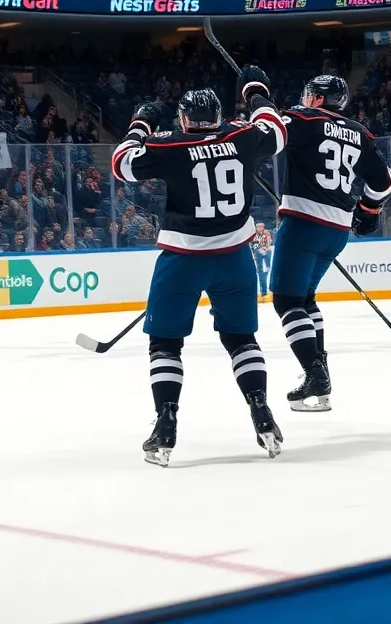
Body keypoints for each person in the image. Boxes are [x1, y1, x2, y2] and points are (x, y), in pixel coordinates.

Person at [109, 67, 288, 466]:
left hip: (182, 262)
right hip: (235, 261)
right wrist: (256, 90)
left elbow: (121, 163)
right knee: (242, 341)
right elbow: (275, 130)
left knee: (166, 345)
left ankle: (165, 426)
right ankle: (262, 414)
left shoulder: (170, 145)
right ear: (220, 116)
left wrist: (141, 123)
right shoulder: (241, 136)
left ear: (185, 119)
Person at [267, 75, 391, 413]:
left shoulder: (301, 119)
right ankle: (319, 373)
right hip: (337, 230)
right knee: (306, 298)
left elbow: (266, 134)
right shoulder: (359, 132)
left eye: (311, 95)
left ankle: (314, 374)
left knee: (287, 302)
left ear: (320, 99)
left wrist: (257, 97)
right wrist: (368, 210)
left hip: (303, 224)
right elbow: (384, 181)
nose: (306, 99)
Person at [250, 221, 273, 301]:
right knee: (260, 273)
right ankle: (263, 292)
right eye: (257, 227)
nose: (259, 228)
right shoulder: (254, 235)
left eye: (260, 227)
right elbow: (253, 246)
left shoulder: (266, 234)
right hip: (258, 255)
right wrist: (258, 251)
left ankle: (265, 291)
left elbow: (268, 243)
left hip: (266, 254)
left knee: (266, 272)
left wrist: (264, 249)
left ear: (263, 227)